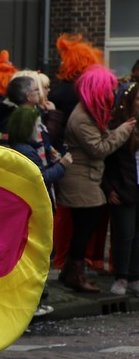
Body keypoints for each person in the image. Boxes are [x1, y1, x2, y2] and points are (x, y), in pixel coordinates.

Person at [57, 65, 137, 292]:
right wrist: (123, 130)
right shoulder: (82, 118)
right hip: (81, 181)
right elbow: (99, 149)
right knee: (84, 228)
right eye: (109, 89)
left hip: (87, 178)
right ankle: (75, 274)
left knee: (85, 227)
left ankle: (70, 271)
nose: (112, 93)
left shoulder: (89, 113)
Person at [7, 105, 71, 315]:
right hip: (33, 211)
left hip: (29, 210)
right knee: (38, 256)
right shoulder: (26, 151)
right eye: (36, 126)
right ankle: (33, 303)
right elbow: (40, 180)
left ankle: (36, 300)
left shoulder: (25, 147)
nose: (39, 130)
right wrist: (62, 165)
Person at [104, 82, 139, 297]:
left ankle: (134, 276)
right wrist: (109, 188)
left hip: (135, 186)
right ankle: (121, 276)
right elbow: (107, 161)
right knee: (124, 234)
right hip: (123, 188)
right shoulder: (119, 125)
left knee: (137, 236)